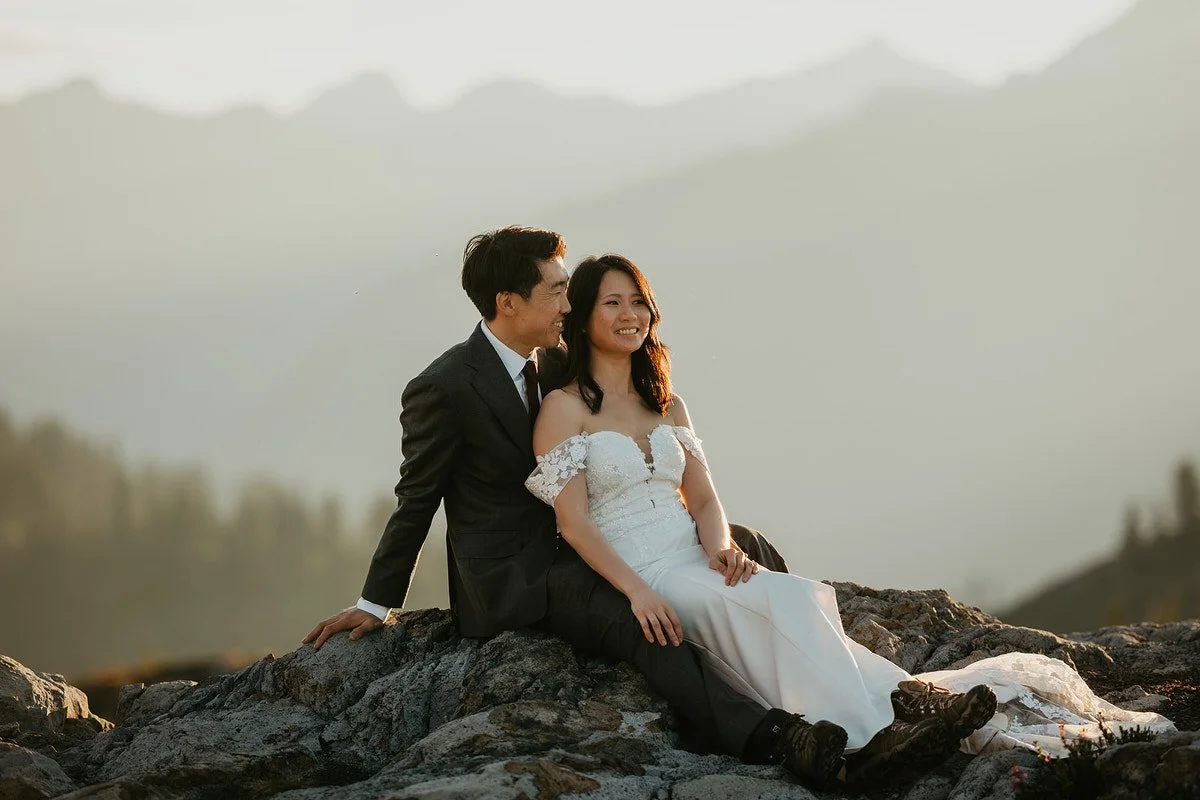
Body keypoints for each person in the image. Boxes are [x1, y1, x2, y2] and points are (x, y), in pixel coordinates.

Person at [302, 226, 946, 789]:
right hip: (516, 572)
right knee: (644, 622)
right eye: (557, 290)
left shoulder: (559, 360)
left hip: (594, 536)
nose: (569, 303)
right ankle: (778, 738)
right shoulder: (444, 386)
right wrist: (374, 604)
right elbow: (416, 498)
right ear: (508, 302)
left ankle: (853, 687)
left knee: (749, 545)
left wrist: (715, 538)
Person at [524, 253, 1172, 788]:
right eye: (613, 302)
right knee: (750, 610)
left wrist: (721, 546)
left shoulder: (669, 404)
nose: (630, 314)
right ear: (583, 318)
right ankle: (879, 731)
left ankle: (904, 708)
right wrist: (636, 592)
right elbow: (574, 523)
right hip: (645, 570)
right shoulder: (564, 409)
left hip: (695, 554)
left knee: (786, 596)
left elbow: (706, 499)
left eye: (638, 301)